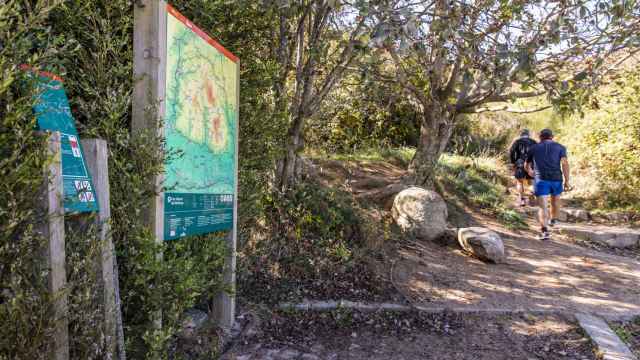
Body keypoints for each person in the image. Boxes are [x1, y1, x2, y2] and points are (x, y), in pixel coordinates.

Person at [525, 129, 571, 240]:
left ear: (540, 137)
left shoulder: (533, 148)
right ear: (552, 137)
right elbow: (565, 164)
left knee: (543, 206)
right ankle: (553, 219)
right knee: (555, 201)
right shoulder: (560, 147)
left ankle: (544, 231)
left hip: (541, 179)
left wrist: (530, 172)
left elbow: (527, 164)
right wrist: (567, 181)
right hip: (556, 179)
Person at [509, 129, 537, 206]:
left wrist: (513, 162)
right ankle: (532, 196)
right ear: (528, 134)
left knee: (520, 182)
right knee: (531, 181)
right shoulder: (533, 142)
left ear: (520, 134)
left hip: (520, 163)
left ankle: (521, 199)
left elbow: (511, 152)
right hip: (531, 164)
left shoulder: (517, 142)